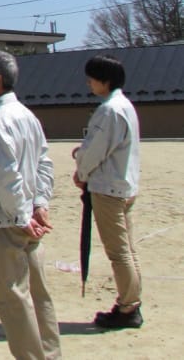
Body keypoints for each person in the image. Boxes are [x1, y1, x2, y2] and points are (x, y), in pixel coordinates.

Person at [0, 50, 61, 359]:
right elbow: (44, 163)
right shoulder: (27, 116)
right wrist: (40, 203)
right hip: (26, 216)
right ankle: (50, 353)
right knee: (39, 293)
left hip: (7, 220)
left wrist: (23, 214)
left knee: (12, 296)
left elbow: (6, 177)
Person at [73, 54, 142, 329]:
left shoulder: (109, 110)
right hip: (124, 185)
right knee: (127, 249)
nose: (89, 82)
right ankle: (131, 300)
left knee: (119, 252)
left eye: (92, 77)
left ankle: (128, 306)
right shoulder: (124, 106)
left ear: (105, 80)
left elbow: (95, 151)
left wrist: (81, 171)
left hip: (109, 188)